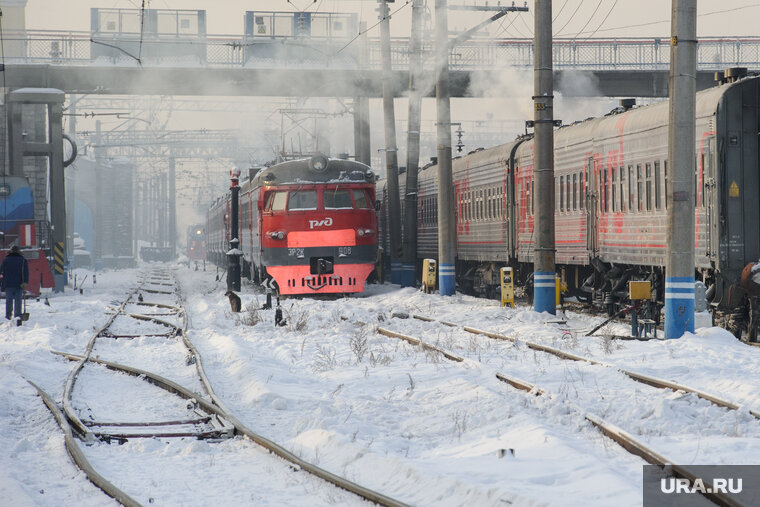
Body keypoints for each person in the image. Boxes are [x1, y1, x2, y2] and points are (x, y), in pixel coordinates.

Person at [0, 245, 29, 325]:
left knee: (9, 300)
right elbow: (26, 272)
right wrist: (25, 282)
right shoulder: (23, 260)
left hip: (8, 284)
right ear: (19, 251)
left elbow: (1, 271)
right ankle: (18, 315)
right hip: (19, 284)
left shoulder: (6, 260)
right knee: (18, 300)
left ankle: (8, 315)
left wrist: (2, 283)